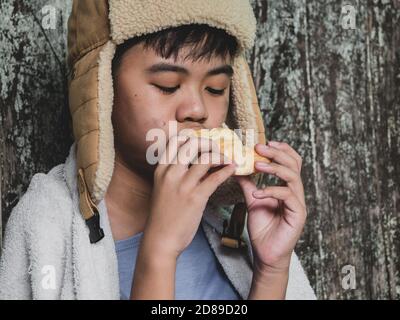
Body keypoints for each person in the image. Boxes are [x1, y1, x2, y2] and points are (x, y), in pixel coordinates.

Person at [0, 0, 316, 300]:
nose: (197, 109)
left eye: (215, 88)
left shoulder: (232, 223)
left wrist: (272, 270)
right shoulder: (47, 224)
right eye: (167, 84)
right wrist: (160, 250)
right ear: (101, 88)